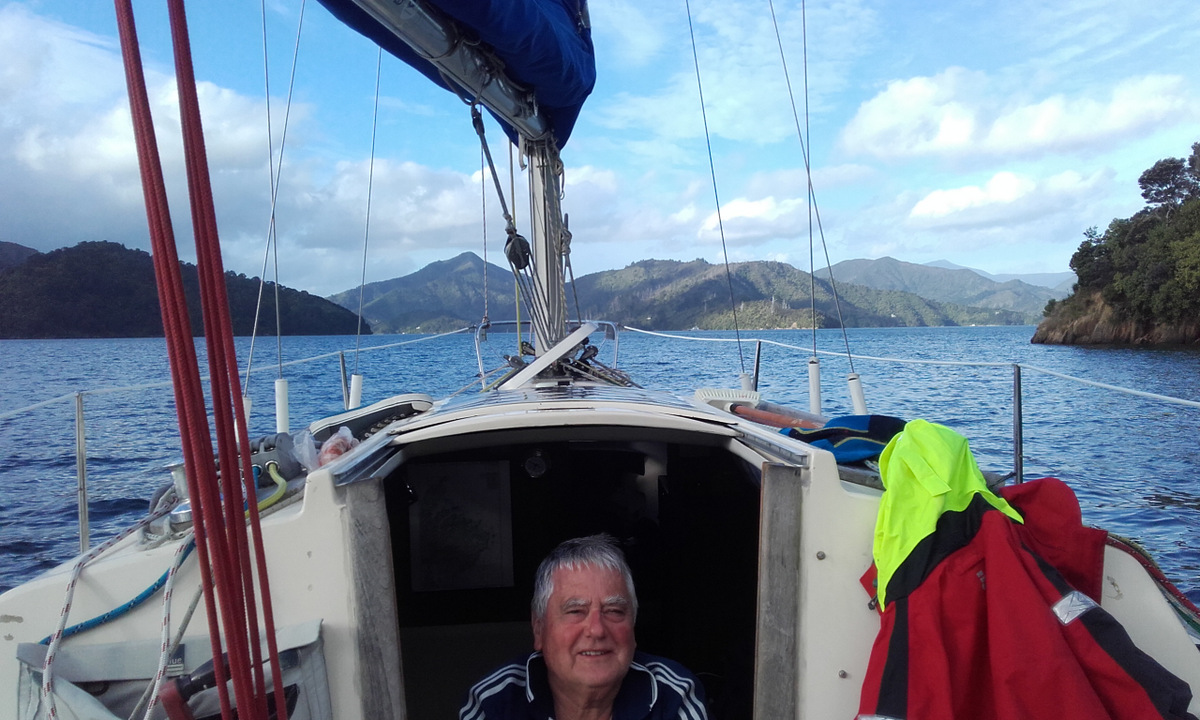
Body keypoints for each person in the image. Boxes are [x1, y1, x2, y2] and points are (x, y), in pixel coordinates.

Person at [459, 534, 708, 720]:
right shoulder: (497, 702)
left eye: (614, 611)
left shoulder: (672, 694)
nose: (597, 630)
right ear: (539, 628)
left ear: (633, 626)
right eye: (576, 611)